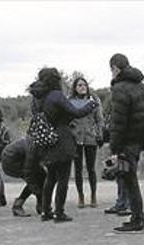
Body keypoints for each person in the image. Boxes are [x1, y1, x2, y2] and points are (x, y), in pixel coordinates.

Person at [28, 68, 98, 223]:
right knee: (63, 179)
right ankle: (59, 213)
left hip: (46, 140)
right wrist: (91, 105)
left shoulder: (37, 98)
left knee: (51, 177)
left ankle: (46, 211)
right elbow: (76, 112)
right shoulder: (56, 95)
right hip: (62, 139)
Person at [108, 53, 144, 232]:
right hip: (139, 139)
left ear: (115, 69)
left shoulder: (120, 89)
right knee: (130, 178)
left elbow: (118, 121)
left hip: (126, 141)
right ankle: (137, 216)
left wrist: (115, 147)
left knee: (130, 180)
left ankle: (138, 218)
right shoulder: (142, 87)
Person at [68, 77, 104, 208]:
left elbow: (99, 119)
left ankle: (93, 195)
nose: (82, 87)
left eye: (84, 85)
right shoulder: (70, 102)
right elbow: (67, 119)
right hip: (76, 138)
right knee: (77, 169)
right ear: (75, 88)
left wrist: (100, 133)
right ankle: (81, 196)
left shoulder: (93, 101)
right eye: (79, 85)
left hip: (90, 138)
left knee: (91, 168)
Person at [0, 138, 45, 217]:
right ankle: (17, 206)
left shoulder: (38, 142)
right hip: (11, 162)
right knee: (36, 179)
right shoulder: (33, 149)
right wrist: (36, 190)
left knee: (42, 176)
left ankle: (41, 205)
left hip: (15, 157)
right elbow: (29, 174)